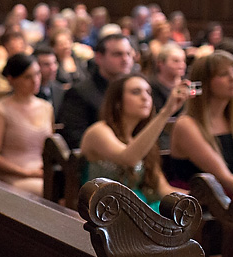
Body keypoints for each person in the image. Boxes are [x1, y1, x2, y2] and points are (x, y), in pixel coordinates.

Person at [80, 74, 190, 212]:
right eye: (136, 92)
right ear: (117, 102)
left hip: (137, 210)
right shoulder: (98, 131)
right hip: (104, 211)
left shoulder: (140, 139)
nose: (145, 98)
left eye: (148, 92)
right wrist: (166, 112)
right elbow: (128, 158)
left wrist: (197, 199)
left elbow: (163, 189)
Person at [169, 51, 233, 197]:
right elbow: (223, 177)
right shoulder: (187, 125)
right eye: (223, 74)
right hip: (203, 207)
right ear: (205, 82)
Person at [0, 54, 53, 196]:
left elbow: (49, 148)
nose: (35, 81)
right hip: (12, 175)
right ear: (12, 79)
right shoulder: (1, 110)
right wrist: (26, 172)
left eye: (37, 74)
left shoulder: (47, 107)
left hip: (41, 173)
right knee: (46, 191)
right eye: (27, 77)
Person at [57, 33, 135, 149]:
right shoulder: (80, 92)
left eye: (128, 54)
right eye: (117, 54)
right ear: (99, 58)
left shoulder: (136, 90)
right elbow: (76, 139)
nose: (125, 59)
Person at [33, 46, 65, 114]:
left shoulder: (59, 90)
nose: (53, 68)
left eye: (54, 63)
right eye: (46, 65)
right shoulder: (27, 92)